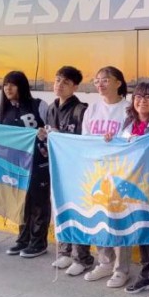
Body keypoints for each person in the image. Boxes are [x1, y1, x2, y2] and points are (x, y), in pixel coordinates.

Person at [105, 82, 149, 297]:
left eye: (147, 97)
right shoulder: (129, 123)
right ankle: (145, 276)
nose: (142, 101)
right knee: (139, 233)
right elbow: (121, 149)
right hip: (130, 186)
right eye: (138, 97)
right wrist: (110, 139)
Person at [81, 66, 133, 289]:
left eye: (105, 80)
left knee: (120, 220)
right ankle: (104, 261)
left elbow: (132, 138)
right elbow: (84, 139)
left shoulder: (128, 108)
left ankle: (122, 269)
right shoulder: (92, 109)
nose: (100, 84)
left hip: (120, 172)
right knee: (98, 218)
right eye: (97, 80)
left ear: (118, 82)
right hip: (96, 172)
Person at [41, 66, 93, 275]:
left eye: (65, 82)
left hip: (77, 170)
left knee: (79, 212)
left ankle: (82, 257)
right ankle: (64, 251)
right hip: (58, 168)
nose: (59, 86)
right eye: (57, 81)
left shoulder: (81, 110)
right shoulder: (51, 109)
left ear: (75, 86)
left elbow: (84, 141)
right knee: (61, 210)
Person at [0, 71, 51, 258]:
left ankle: (39, 242)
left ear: (22, 86)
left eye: (13, 84)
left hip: (39, 164)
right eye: (6, 84)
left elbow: (52, 129)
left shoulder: (39, 105)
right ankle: (23, 239)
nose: (8, 88)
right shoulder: (5, 110)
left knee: (39, 203)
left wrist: (45, 134)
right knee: (22, 202)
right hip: (16, 165)